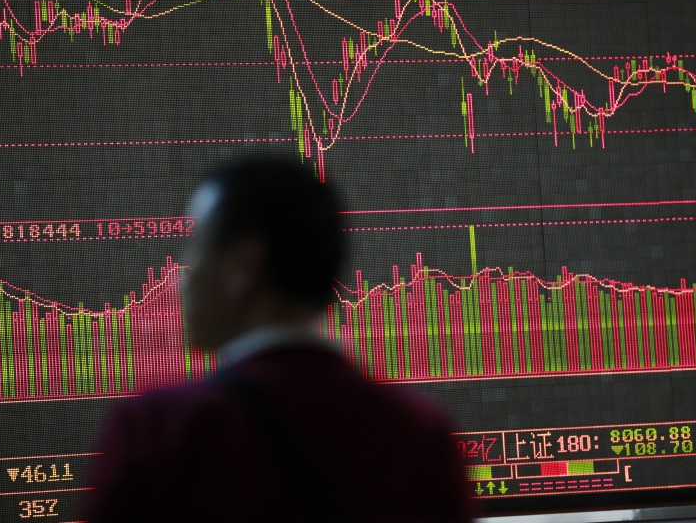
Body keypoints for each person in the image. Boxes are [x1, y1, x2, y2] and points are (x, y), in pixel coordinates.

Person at [85, 158, 472, 521]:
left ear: (245, 267)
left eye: (195, 250)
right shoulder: (421, 438)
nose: (181, 281)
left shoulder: (160, 434)